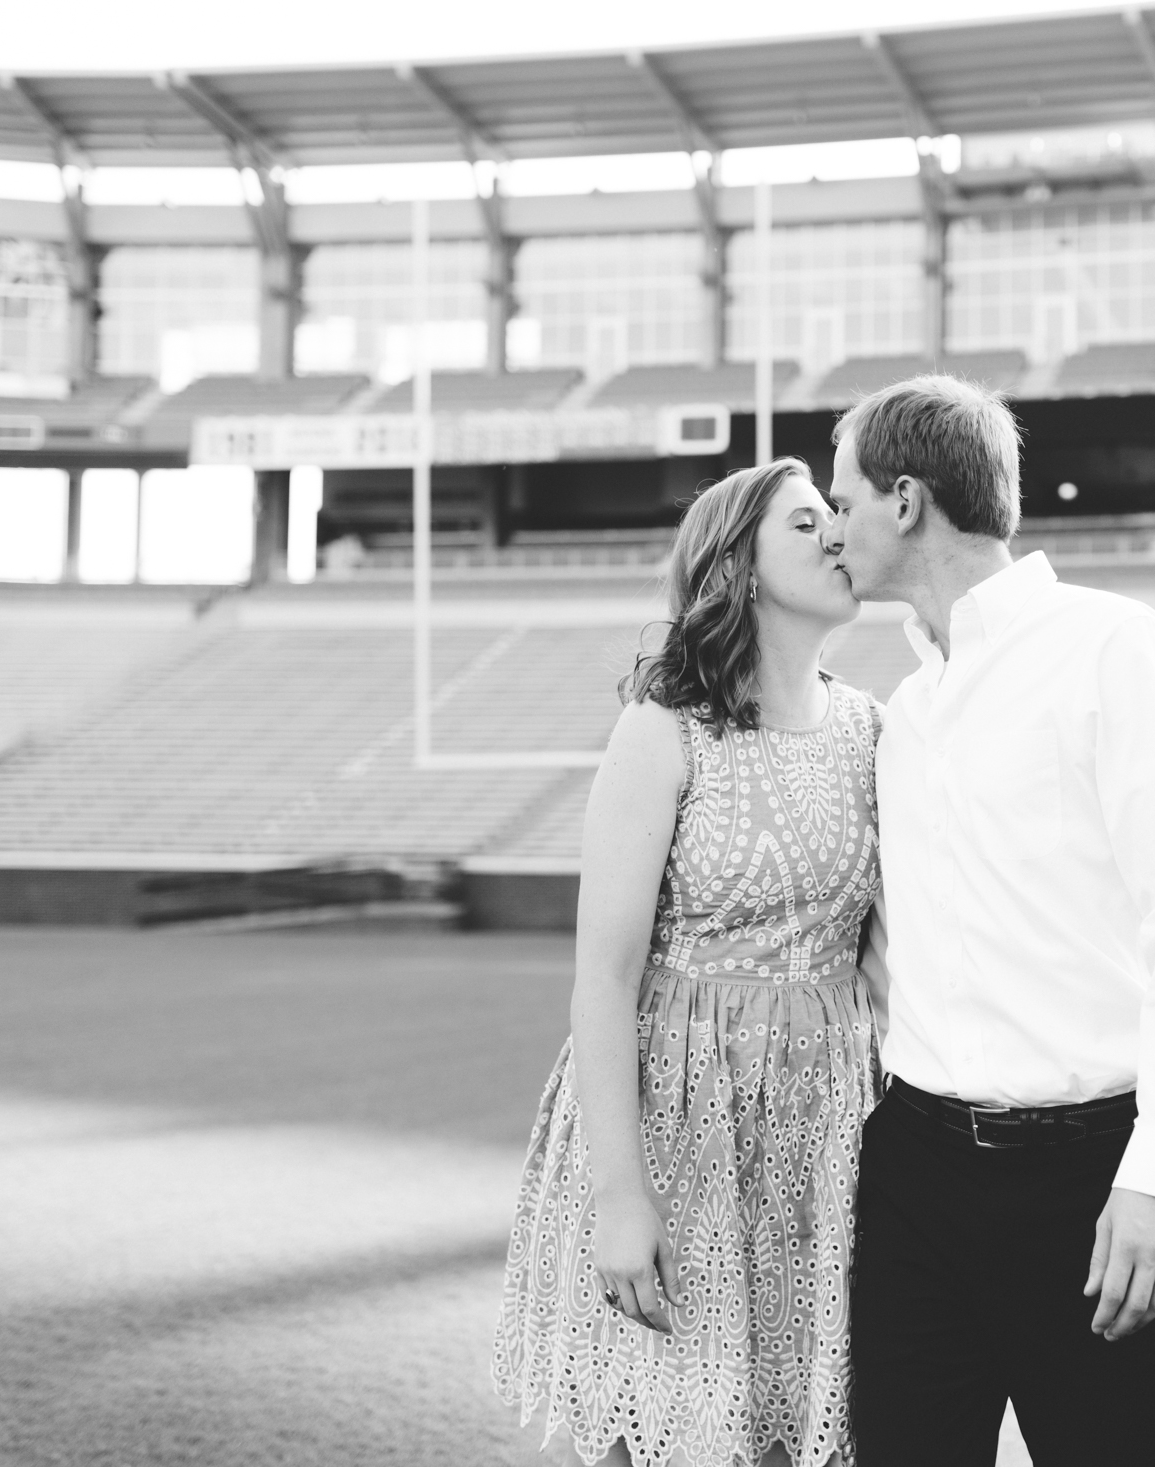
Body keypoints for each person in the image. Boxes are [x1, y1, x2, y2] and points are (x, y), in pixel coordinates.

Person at [822, 376, 1155, 1467]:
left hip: (1093, 1180)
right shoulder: (905, 713)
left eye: (845, 498)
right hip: (913, 1174)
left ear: (905, 500)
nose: (833, 528)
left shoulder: (1112, 646)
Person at [493, 457, 881, 1467]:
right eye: (805, 524)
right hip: (675, 1121)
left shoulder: (875, 730)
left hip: (826, 1131)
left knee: (810, 1434)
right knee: (665, 1431)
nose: (837, 535)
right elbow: (605, 981)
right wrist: (625, 1197)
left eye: (835, 517)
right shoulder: (663, 732)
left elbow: (891, 962)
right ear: (738, 567)